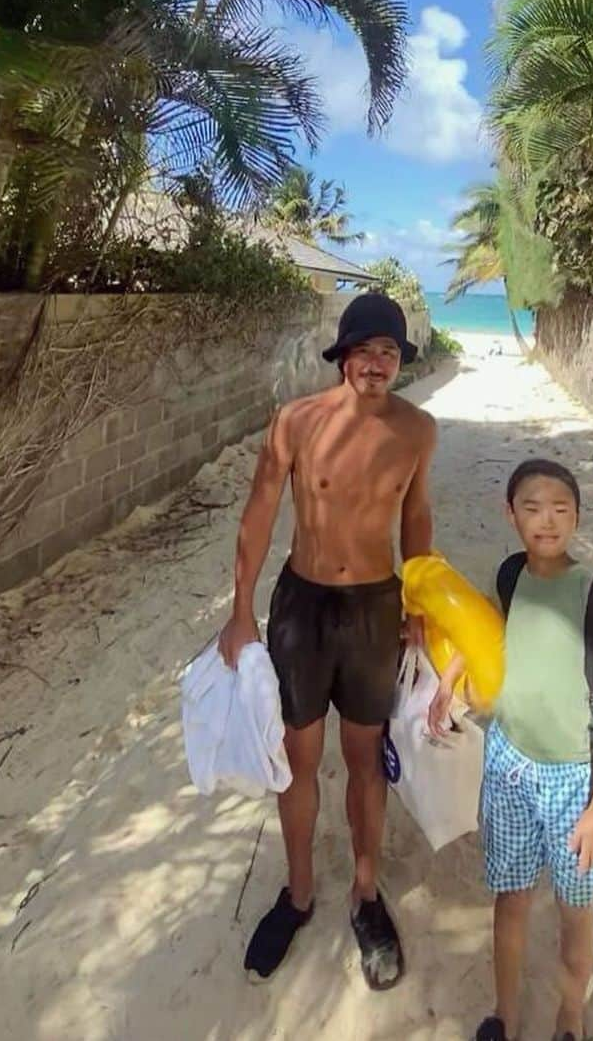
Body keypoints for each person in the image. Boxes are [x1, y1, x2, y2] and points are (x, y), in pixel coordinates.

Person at [218, 292, 436, 991]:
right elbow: (258, 513)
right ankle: (300, 893)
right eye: (365, 349)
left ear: (400, 362)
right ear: (342, 355)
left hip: (375, 609)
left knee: (366, 760)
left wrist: (420, 605)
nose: (376, 363)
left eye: (390, 352)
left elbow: (418, 518)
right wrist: (240, 610)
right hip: (303, 608)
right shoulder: (296, 421)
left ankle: (367, 897)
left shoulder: (417, 430)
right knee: (299, 758)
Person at [429, 459, 593, 1041]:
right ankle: (506, 1014)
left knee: (576, 908)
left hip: (573, 779)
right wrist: (451, 675)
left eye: (561, 509)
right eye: (532, 508)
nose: (546, 521)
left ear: (578, 516)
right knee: (511, 899)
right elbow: (493, 628)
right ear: (510, 513)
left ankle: (570, 1015)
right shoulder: (512, 575)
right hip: (509, 766)